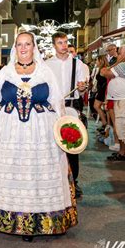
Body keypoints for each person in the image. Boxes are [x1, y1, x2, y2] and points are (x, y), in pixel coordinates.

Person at [0, 32, 77, 242]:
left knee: (37, 174)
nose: (24, 48)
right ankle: (12, 220)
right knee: (12, 172)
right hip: (7, 132)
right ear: (15, 48)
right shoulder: (5, 73)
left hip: (41, 132)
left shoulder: (46, 72)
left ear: (34, 47)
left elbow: (57, 103)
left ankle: (38, 220)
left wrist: (64, 130)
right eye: (19, 45)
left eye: (27, 44)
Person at [45, 32, 87, 199]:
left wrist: (83, 87)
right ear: (54, 45)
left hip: (70, 108)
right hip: (51, 109)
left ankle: (73, 182)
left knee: (71, 145)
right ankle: (54, 180)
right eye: (60, 43)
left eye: (65, 42)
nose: (63, 45)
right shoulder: (46, 65)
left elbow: (83, 88)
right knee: (51, 145)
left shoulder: (78, 64)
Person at [101, 44, 125, 161]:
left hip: (124, 100)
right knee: (124, 126)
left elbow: (104, 73)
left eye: (121, 53)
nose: (119, 55)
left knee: (122, 127)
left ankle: (122, 153)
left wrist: (116, 63)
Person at [92, 55, 108, 132]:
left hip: (102, 91)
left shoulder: (103, 69)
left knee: (96, 106)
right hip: (101, 90)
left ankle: (105, 123)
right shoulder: (101, 69)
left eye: (97, 60)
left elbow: (106, 81)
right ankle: (105, 123)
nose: (96, 62)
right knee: (98, 107)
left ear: (100, 61)